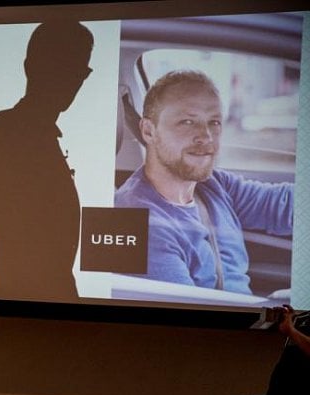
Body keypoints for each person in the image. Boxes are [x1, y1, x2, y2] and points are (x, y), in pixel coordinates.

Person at [114, 70, 294, 295]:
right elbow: (189, 319)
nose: (206, 136)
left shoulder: (214, 185)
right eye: (187, 122)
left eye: (214, 122)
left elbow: (287, 205)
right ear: (149, 131)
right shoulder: (138, 224)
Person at [0, 20, 94, 302]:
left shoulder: (42, 137)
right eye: (57, 66)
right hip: (17, 306)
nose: (69, 80)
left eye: (77, 71)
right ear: (30, 66)